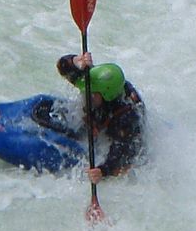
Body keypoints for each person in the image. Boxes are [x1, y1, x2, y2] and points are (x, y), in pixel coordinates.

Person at [55, 50, 144, 182]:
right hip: (105, 117)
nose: (86, 93)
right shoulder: (99, 81)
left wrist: (103, 171)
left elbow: (122, 154)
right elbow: (62, 66)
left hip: (127, 140)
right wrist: (76, 61)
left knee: (124, 165)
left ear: (105, 95)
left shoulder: (126, 118)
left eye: (91, 93)